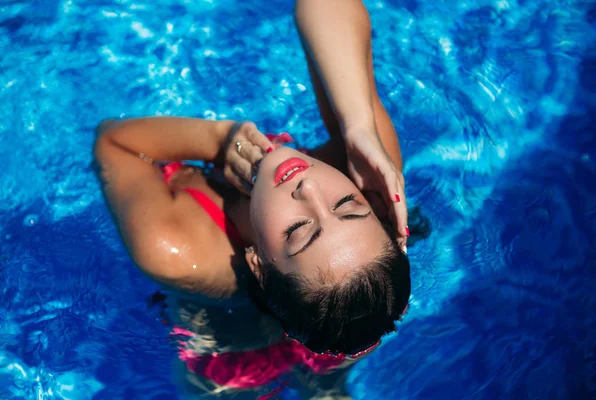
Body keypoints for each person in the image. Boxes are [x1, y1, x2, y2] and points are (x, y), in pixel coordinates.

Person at [94, 0, 410, 392]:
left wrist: (218, 141)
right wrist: (358, 126)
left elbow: (112, 143)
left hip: (230, 349)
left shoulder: (174, 249)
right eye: (347, 206)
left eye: (299, 229)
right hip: (327, 320)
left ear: (257, 264)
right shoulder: (368, 174)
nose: (308, 187)